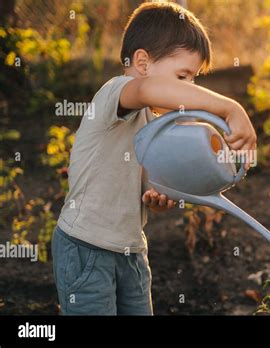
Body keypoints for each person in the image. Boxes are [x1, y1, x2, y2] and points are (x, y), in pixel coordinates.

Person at [52, 2, 256, 315]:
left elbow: (145, 182)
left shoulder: (153, 121)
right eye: (183, 77)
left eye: (194, 79)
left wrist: (155, 197)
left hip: (132, 249)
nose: (189, 88)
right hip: (86, 247)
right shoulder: (117, 92)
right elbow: (149, 89)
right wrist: (231, 108)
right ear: (143, 63)